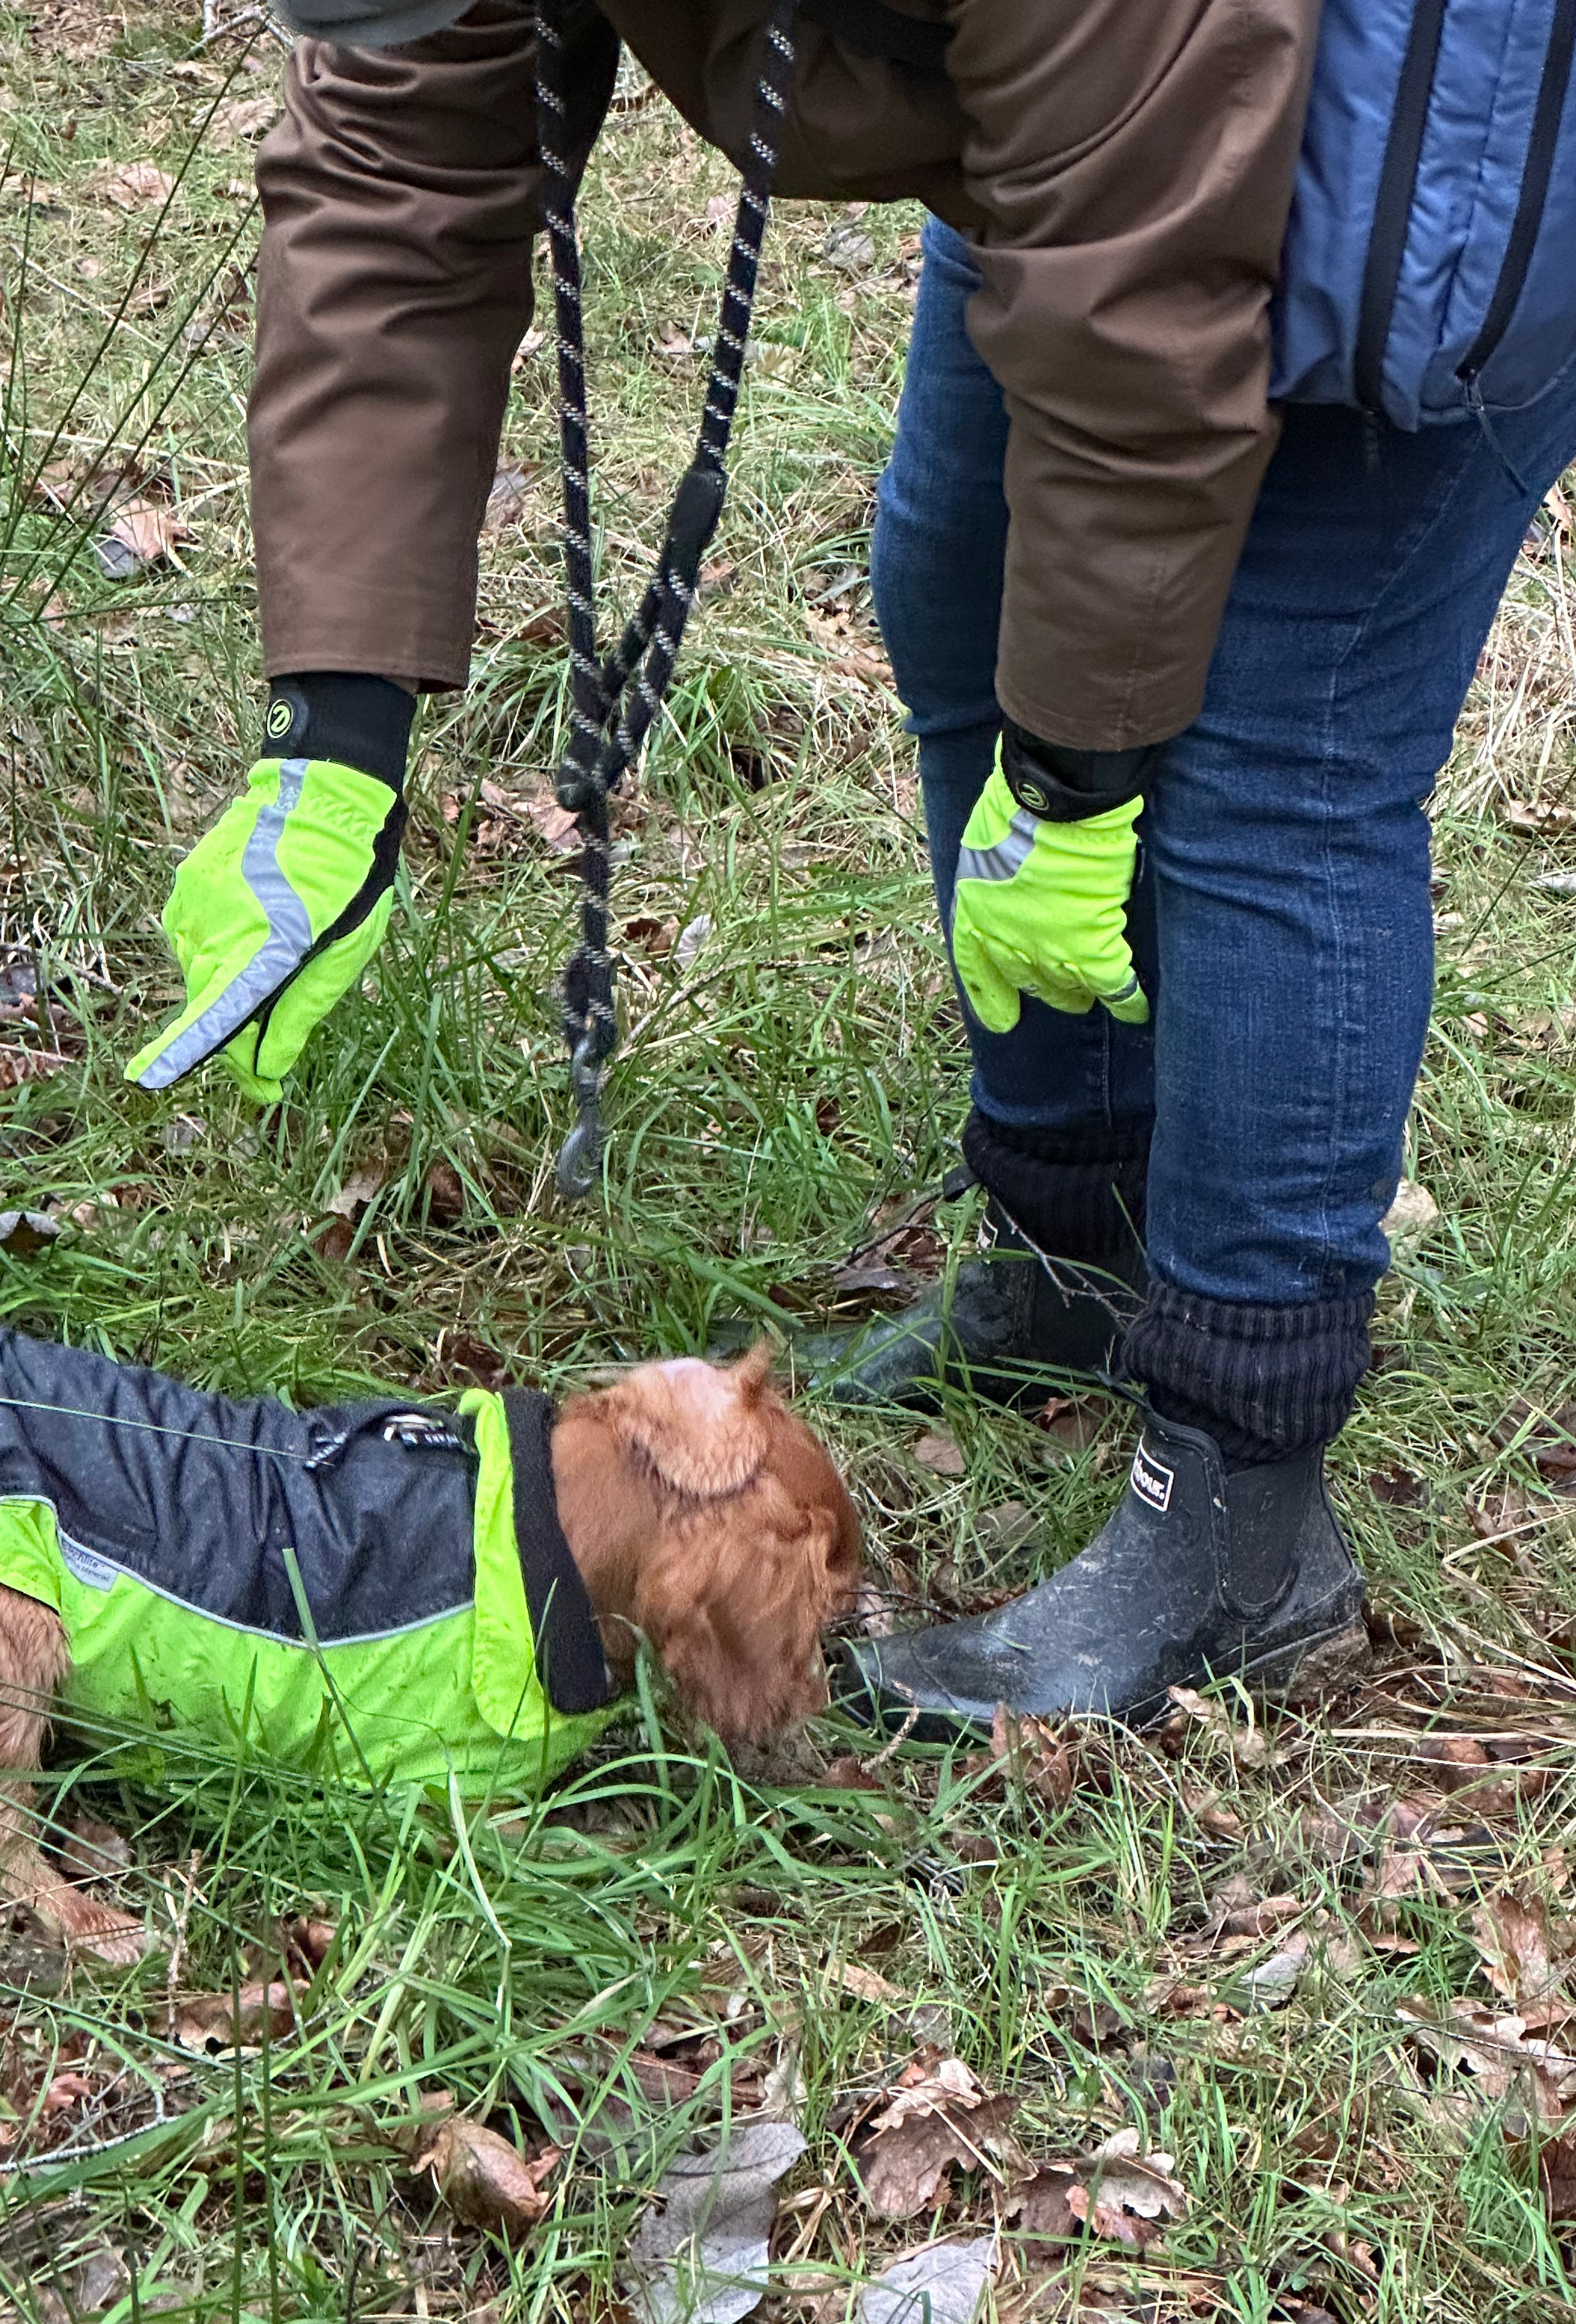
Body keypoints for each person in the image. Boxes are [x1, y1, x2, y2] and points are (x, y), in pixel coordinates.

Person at [123, 0, 1576, 1731]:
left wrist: (1075, 776)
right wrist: (336, 745)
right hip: (1114, 125)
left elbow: (1142, 326)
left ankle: (1244, 1507)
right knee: (964, 578)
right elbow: (396, 167)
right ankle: (1081, 1243)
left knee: (1275, 748)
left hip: (1420, 116)